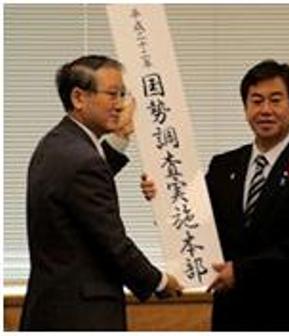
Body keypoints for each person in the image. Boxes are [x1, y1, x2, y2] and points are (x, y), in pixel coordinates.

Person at [141, 59, 289, 331]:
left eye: (275, 100)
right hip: (233, 316)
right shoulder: (223, 166)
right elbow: (194, 222)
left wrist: (242, 272)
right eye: (256, 101)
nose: (265, 110)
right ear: (245, 108)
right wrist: (162, 198)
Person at [20, 55, 183, 331]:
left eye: (122, 94)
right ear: (79, 97)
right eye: (112, 94)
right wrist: (159, 282)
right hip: (81, 316)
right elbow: (113, 243)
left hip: (53, 308)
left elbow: (80, 192)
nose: (121, 104)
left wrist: (122, 137)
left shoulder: (58, 144)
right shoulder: (82, 159)